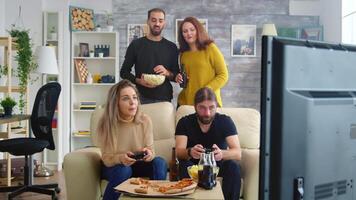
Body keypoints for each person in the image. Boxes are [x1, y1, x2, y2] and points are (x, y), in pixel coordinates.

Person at [97, 79, 167, 200]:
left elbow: (151, 151)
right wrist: (121, 158)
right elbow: (107, 159)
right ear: (116, 103)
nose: (132, 102)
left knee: (160, 162)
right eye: (125, 98)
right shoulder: (106, 123)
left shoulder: (145, 120)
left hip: (138, 164)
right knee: (124, 170)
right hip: (115, 167)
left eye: (134, 97)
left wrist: (149, 154)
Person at [175, 87, 241, 200]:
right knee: (183, 165)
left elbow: (237, 153)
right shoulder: (184, 122)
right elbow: (179, 152)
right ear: (195, 106)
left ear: (217, 106)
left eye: (211, 108)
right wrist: (190, 151)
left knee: (233, 166)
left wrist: (222, 154)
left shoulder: (225, 121)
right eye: (202, 108)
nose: (207, 113)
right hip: (194, 166)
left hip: (217, 166)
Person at [120, 8, 179, 104]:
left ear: (164, 23)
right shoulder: (136, 45)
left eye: (160, 20)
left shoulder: (171, 47)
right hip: (141, 97)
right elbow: (124, 72)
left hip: (164, 98)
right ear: (148, 21)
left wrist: (167, 73)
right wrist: (139, 81)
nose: (157, 24)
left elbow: (176, 76)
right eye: (153, 20)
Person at [175, 17, 228, 107]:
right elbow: (188, 79)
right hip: (186, 103)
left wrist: (206, 90)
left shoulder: (210, 48)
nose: (189, 33)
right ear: (182, 35)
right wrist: (179, 78)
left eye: (192, 30)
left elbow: (223, 75)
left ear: (198, 30)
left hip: (207, 103)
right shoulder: (183, 54)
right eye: (185, 31)